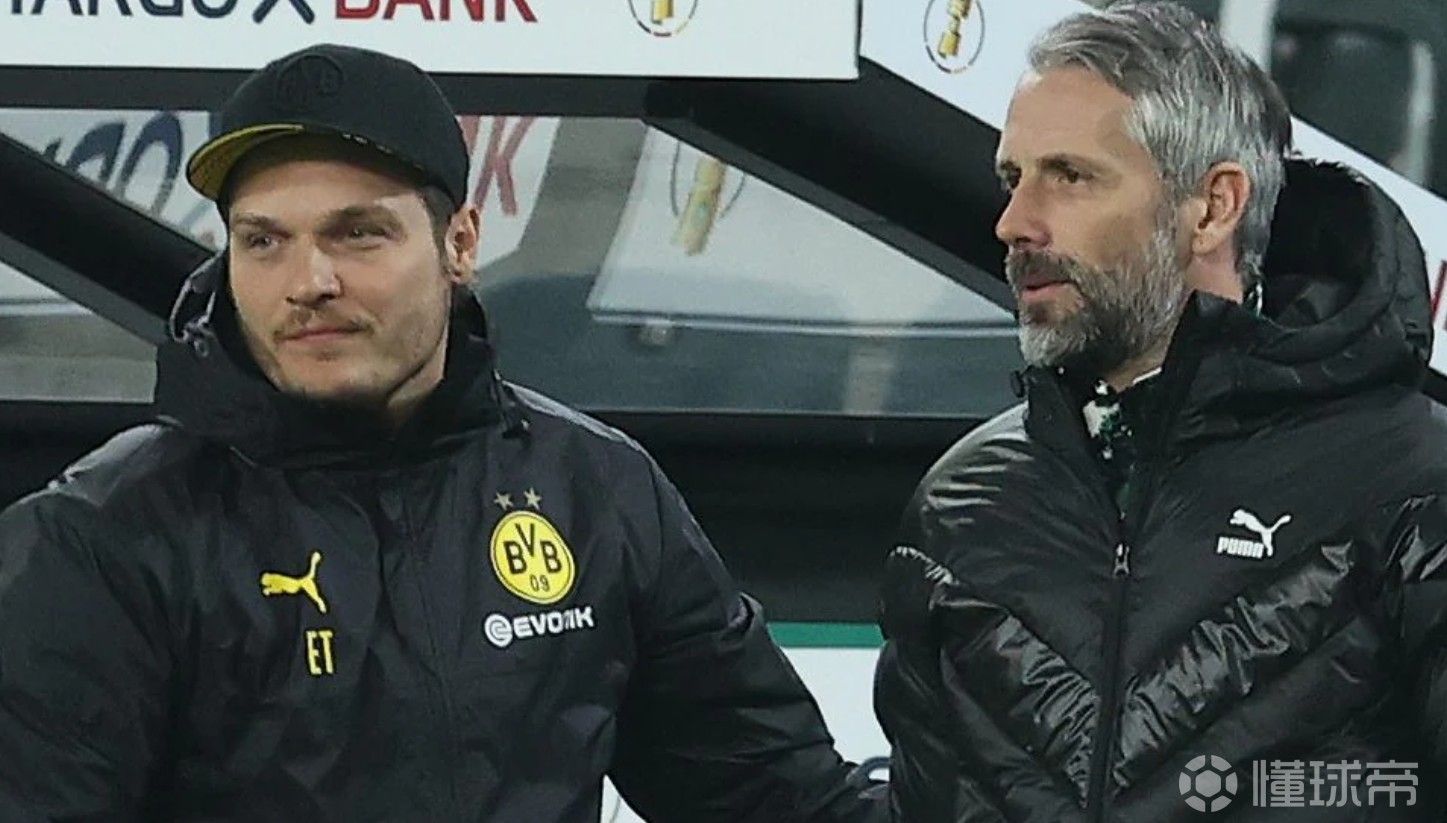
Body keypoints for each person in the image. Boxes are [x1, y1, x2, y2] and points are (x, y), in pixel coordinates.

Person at [0, 43, 885, 823]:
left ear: (460, 243)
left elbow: (775, 800)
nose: (308, 280)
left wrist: (961, 764)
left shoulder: (595, 491)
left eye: (358, 233)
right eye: (263, 242)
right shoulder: (103, 535)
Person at [874, 2, 1447, 821]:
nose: (1013, 222)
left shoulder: (1413, 487)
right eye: (1012, 177)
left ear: (1211, 207)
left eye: (1068, 176)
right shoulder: (962, 504)